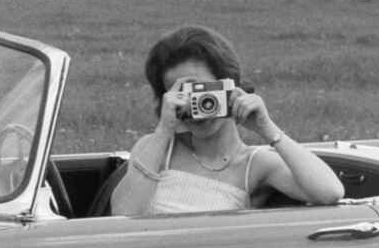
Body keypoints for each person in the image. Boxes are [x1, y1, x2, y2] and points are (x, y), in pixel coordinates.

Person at [108, 25, 346, 216]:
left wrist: (267, 128)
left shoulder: (254, 164)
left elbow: (330, 192)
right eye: (183, 93)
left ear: (230, 86)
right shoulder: (156, 149)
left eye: (203, 91)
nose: (197, 104)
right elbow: (123, 214)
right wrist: (164, 130)